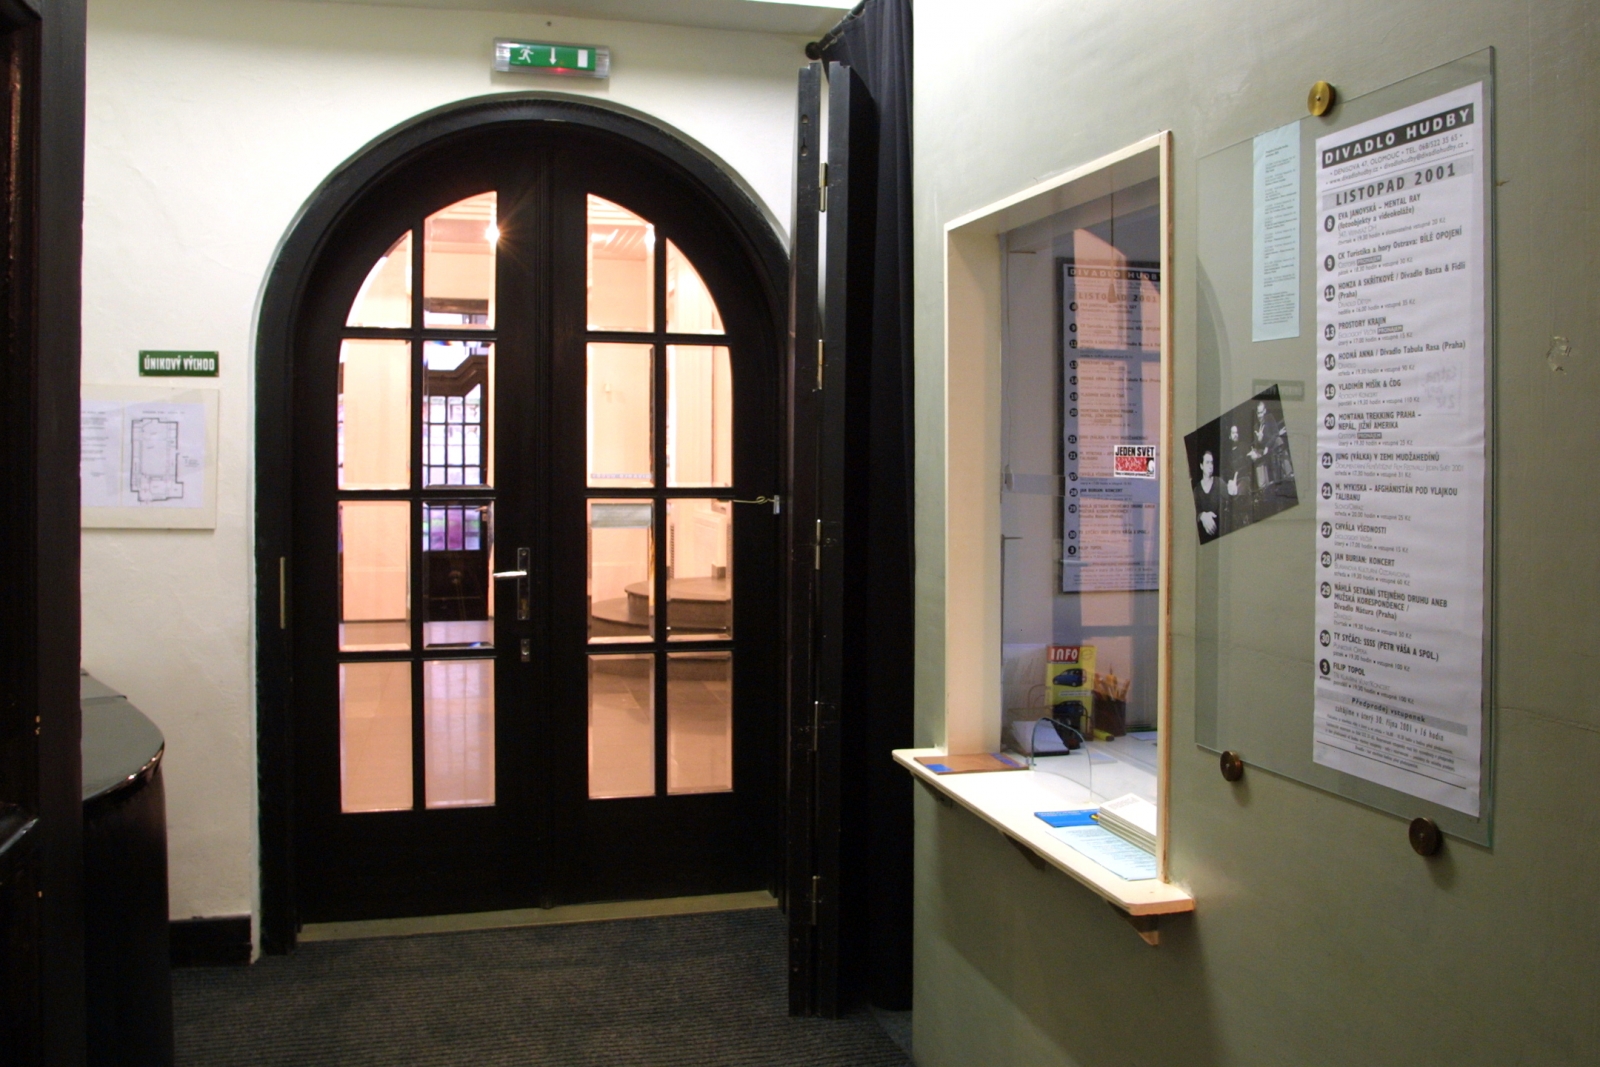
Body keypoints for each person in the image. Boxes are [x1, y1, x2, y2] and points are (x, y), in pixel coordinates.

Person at [1192, 447, 1222, 542]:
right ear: (1201, 466)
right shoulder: (1197, 490)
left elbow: (1230, 498)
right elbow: (1194, 512)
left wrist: (1233, 490)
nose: (1210, 466)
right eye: (1207, 462)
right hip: (1204, 539)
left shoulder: (1219, 482)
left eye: (1212, 463)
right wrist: (1202, 515)